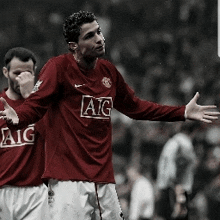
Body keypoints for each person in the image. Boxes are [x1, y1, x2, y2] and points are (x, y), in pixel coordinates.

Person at [0, 11, 219, 220]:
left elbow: (137, 107)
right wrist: (18, 117)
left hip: (104, 180)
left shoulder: (108, 72)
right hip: (68, 181)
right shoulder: (58, 67)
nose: (99, 38)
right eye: (90, 35)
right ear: (73, 46)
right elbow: (36, 105)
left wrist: (181, 112)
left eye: (98, 31)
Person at [0, 47, 48, 219]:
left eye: (27, 73)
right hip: (2, 191)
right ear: (6, 72)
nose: (22, 78)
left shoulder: (45, 105)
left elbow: (53, 138)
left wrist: (30, 96)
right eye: (17, 73)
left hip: (35, 193)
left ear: (34, 72)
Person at [156, 122, 197, 220]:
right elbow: (180, 164)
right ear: (193, 131)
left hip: (166, 186)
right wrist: (178, 188)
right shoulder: (184, 143)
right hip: (177, 187)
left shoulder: (172, 142)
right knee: (179, 216)